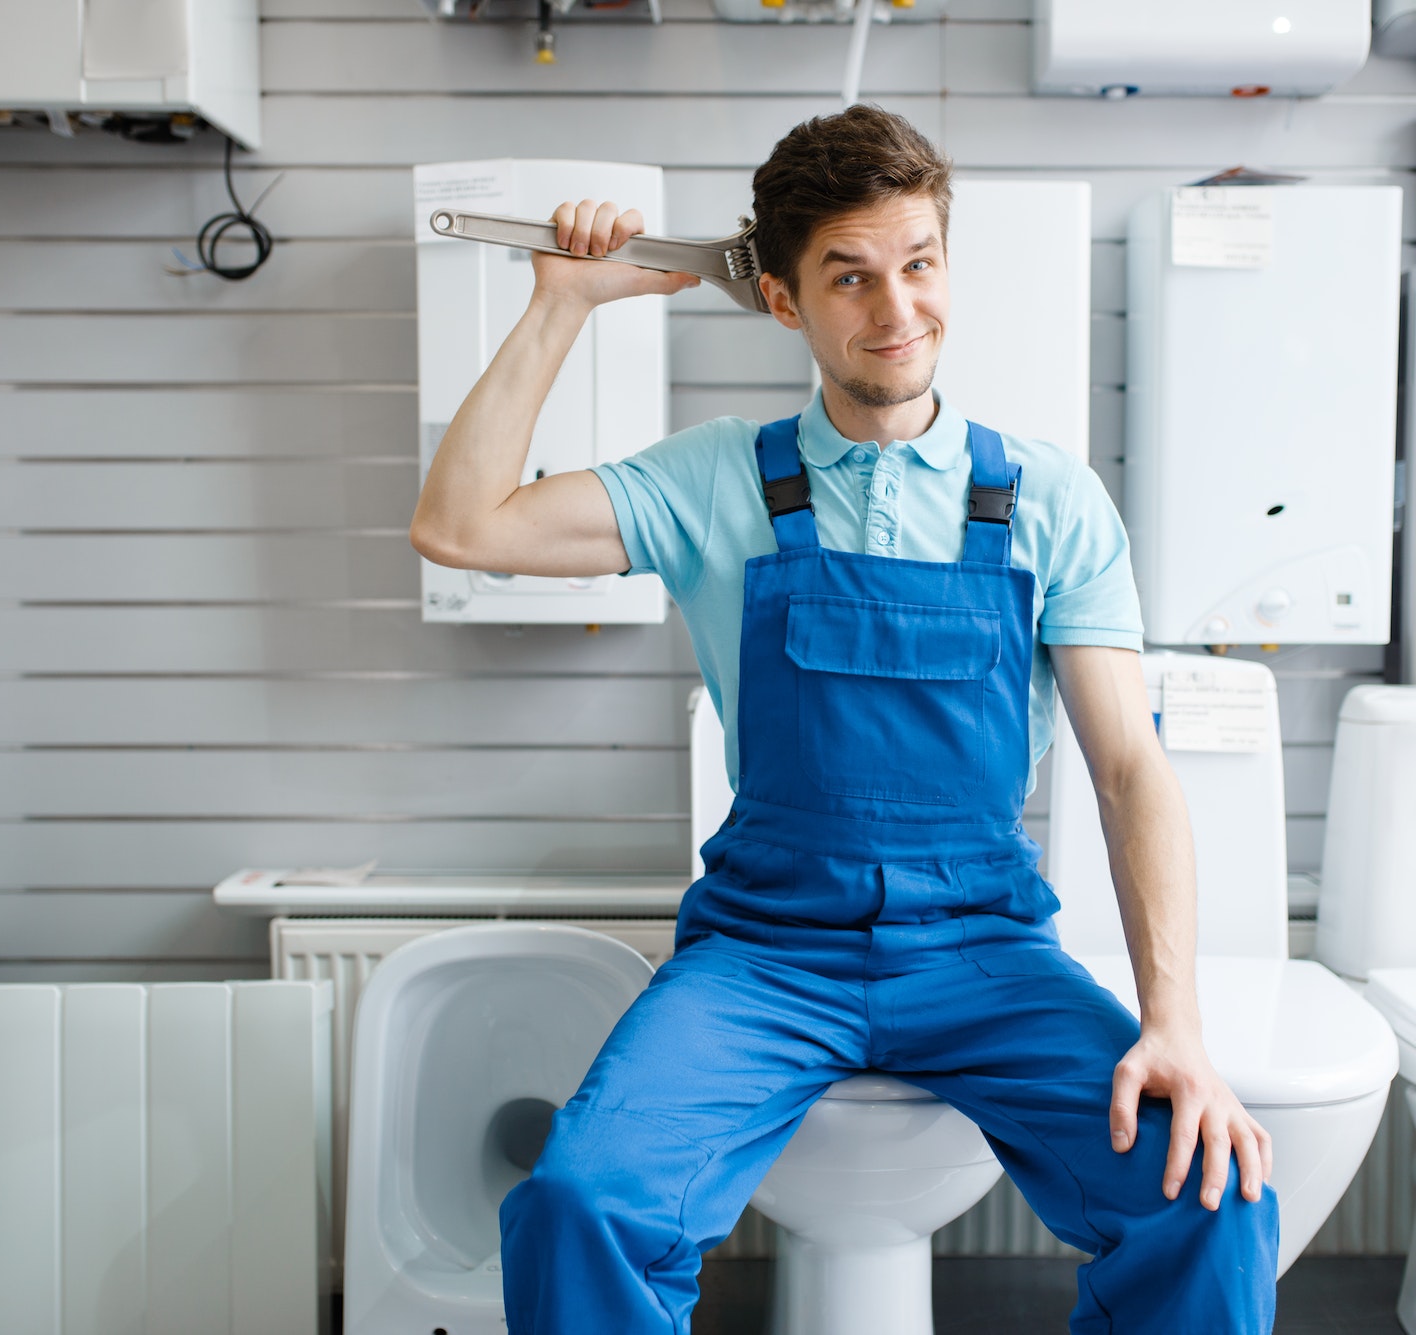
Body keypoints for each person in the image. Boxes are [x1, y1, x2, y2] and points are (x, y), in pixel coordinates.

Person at [408, 104, 1279, 1333]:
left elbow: (1129, 770)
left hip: (982, 953)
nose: (894, 311)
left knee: (1209, 1200)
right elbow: (461, 527)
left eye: (917, 265)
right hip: (767, 957)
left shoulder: (1047, 502)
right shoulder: (713, 479)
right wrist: (561, 301)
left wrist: (1172, 1024)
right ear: (782, 301)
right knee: (576, 1203)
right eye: (850, 277)